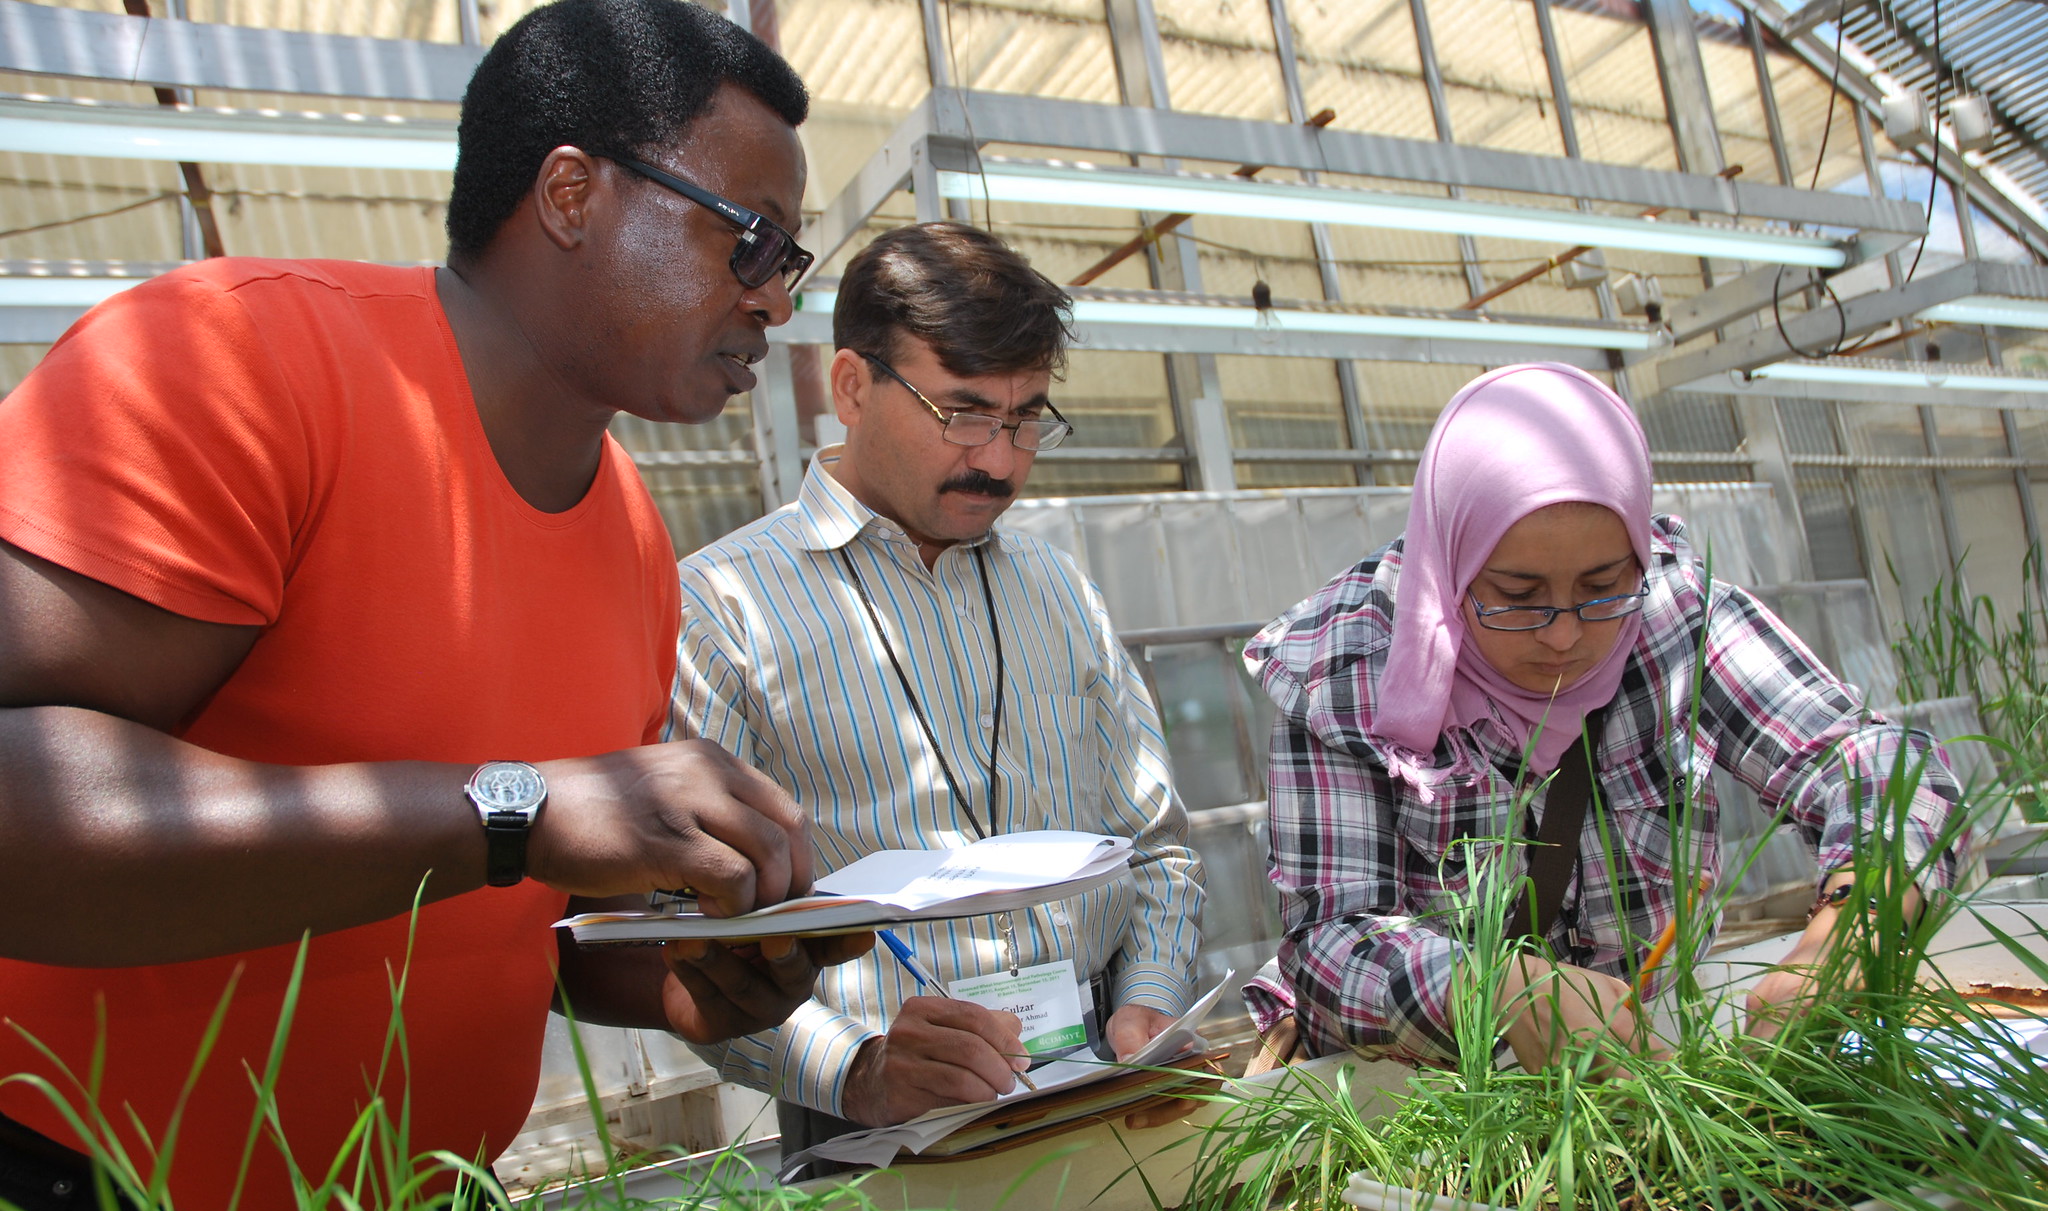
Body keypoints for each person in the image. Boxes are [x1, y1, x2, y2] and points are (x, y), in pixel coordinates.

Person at [0, 0, 870, 1211]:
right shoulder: (240, 362)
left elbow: (523, 902)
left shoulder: (632, 531)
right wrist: (511, 805)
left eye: (791, 255)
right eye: (747, 235)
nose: (775, 292)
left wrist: (688, 970)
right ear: (571, 193)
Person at [1240, 362, 1965, 1072]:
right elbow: (1331, 945)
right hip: (1419, 1086)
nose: (1564, 635)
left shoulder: (1673, 615)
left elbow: (1872, 762)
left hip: (1643, 1060)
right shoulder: (1345, 671)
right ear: (1450, 562)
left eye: (1601, 588)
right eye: (1518, 594)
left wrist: (1852, 922)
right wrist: (1491, 989)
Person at [668, 222, 1204, 1157]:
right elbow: (689, 936)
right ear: (851, 387)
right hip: (874, 1128)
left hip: (1090, 1080)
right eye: (961, 412)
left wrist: (1147, 1003)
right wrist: (858, 1069)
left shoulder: (1060, 591)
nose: (997, 459)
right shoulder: (723, 609)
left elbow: (1154, 844)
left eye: (1027, 416)